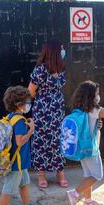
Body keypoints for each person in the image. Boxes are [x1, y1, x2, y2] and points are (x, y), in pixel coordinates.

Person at [66, 81, 104, 205]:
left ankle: (88, 201)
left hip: (82, 148)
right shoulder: (95, 109)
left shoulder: (79, 110)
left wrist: (97, 126)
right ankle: (74, 193)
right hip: (91, 149)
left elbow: (90, 125)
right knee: (97, 175)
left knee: (88, 175)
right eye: (97, 93)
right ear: (91, 95)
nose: (98, 96)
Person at [0, 86, 44, 205]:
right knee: (8, 189)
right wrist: (31, 130)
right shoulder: (20, 121)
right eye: (27, 101)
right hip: (16, 163)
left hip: (17, 161)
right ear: (19, 104)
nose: (29, 104)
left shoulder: (10, 118)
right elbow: (20, 141)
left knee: (24, 183)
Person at [28, 40, 68, 189]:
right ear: (55, 51)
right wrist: (45, 101)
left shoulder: (61, 68)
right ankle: (41, 175)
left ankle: (60, 173)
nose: (63, 51)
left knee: (58, 140)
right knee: (41, 141)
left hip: (58, 112)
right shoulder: (40, 70)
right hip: (43, 112)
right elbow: (30, 91)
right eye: (61, 48)